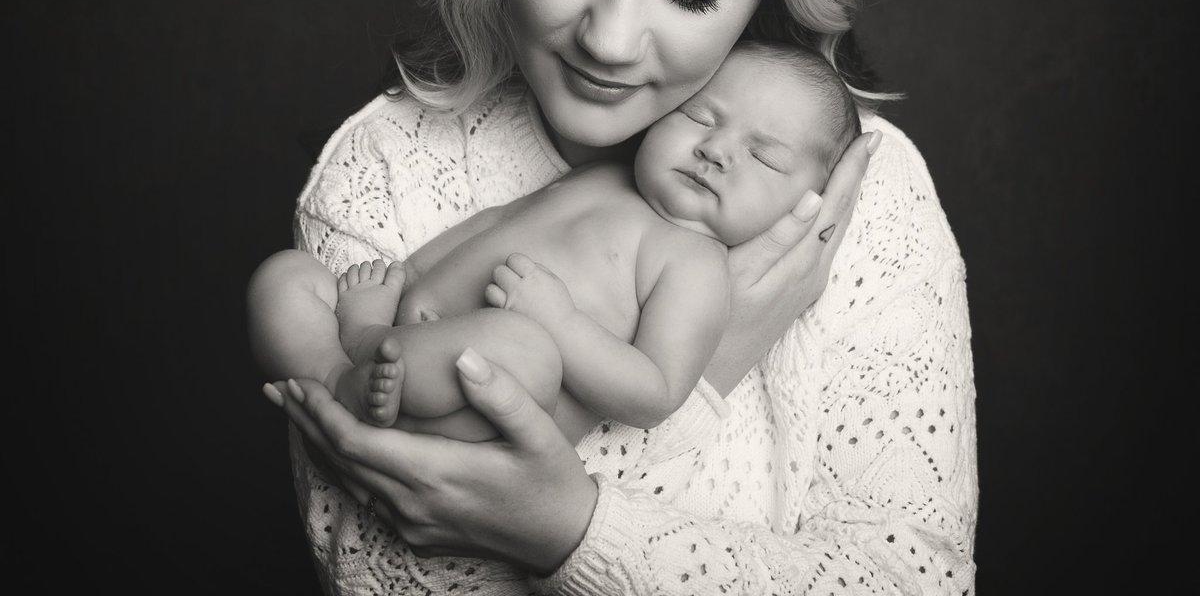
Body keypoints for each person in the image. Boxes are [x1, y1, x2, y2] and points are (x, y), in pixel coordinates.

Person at [257, 0, 978, 595]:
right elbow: (380, 575)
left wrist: (574, 523)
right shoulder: (384, 173)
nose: (608, 39)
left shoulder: (851, 188)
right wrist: (712, 366)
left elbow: (918, 582)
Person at [251, 42, 861, 444]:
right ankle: (338, 374)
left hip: (483, 401)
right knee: (285, 276)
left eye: (764, 157)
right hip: (406, 328)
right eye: (699, 116)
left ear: (806, 207)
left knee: (526, 346)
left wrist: (560, 322)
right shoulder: (609, 174)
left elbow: (655, 391)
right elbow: (498, 221)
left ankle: (372, 383)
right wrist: (407, 275)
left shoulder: (695, 265)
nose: (715, 149)